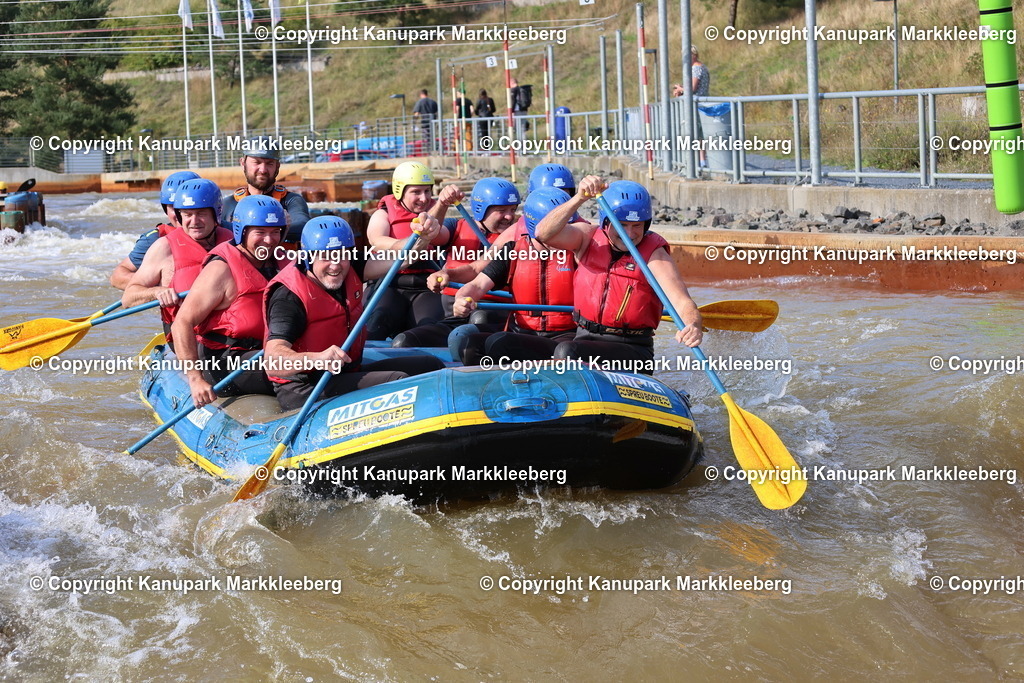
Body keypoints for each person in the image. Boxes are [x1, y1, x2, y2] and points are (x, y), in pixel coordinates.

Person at [264, 217, 447, 411]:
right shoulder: (289, 297)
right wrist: (317, 358)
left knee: (430, 364)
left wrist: (424, 237)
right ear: (308, 257)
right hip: (306, 387)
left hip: (345, 372)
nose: (335, 266)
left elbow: (402, 257)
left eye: (341, 255)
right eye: (325, 257)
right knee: (399, 382)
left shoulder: (351, 266)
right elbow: (273, 362)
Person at [535, 177, 703, 374]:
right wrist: (579, 198)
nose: (629, 234)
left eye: (637, 225)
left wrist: (693, 324)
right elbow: (543, 233)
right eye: (622, 224)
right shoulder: (586, 238)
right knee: (504, 343)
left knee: (566, 351)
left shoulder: (655, 255)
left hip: (632, 350)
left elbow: (682, 302)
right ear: (605, 222)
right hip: (583, 338)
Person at [171, 195, 292, 407]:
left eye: (275, 232)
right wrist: (195, 378)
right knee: (302, 369)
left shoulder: (282, 260)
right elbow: (182, 322)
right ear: (241, 232)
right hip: (227, 361)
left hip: (270, 350)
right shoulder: (221, 269)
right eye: (260, 232)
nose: (269, 240)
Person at [451, 187, 580, 365]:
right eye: (559, 229)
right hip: (521, 332)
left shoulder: (579, 253)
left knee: (501, 343)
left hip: (564, 337)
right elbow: (477, 285)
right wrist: (462, 298)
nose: (566, 235)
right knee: (470, 345)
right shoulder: (513, 250)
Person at [391, 177, 521, 348]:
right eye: (502, 210)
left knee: (477, 319)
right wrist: (442, 204)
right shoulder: (456, 227)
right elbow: (431, 233)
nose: (509, 216)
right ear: (481, 210)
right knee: (404, 341)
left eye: (513, 209)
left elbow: (477, 270)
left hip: (494, 312)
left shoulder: (518, 235)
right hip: (454, 313)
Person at [122, 178, 233, 348]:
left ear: (216, 213)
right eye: (187, 214)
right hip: (191, 341)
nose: (194, 221)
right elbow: (128, 299)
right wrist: (158, 292)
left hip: (234, 336)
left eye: (201, 213)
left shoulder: (235, 241)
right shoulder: (163, 247)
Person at [364, 161, 454, 340]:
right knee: (376, 325)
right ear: (400, 191)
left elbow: (441, 237)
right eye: (416, 192)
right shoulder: (382, 214)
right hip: (389, 284)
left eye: (427, 191)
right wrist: (409, 244)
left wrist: (442, 205)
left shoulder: (434, 213)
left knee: (428, 330)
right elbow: (377, 241)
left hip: (424, 287)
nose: (423, 198)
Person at [110, 171, 200, 290]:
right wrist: (157, 288)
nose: (182, 214)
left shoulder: (226, 232)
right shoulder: (155, 239)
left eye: (188, 208)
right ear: (165, 209)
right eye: (174, 208)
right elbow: (117, 277)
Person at [221, 136, 310, 243]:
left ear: (277, 166)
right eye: (257, 162)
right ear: (243, 163)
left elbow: (303, 225)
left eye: (269, 163)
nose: (263, 170)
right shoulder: (229, 204)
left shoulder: (291, 201)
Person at [673, 46, 711, 167]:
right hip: (701, 103)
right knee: (699, 133)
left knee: (696, 133)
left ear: (693, 55)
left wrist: (680, 89)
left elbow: (693, 88)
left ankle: (698, 162)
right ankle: (701, 161)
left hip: (696, 105)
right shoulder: (702, 67)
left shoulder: (696, 68)